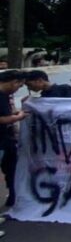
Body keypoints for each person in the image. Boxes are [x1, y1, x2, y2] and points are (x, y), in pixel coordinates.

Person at [0, 70, 29, 207]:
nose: (18, 89)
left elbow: (6, 113)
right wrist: (16, 118)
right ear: (14, 82)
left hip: (6, 139)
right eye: (19, 85)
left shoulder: (5, 96)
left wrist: (16, 113)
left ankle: (13, 198)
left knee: (12, 169)